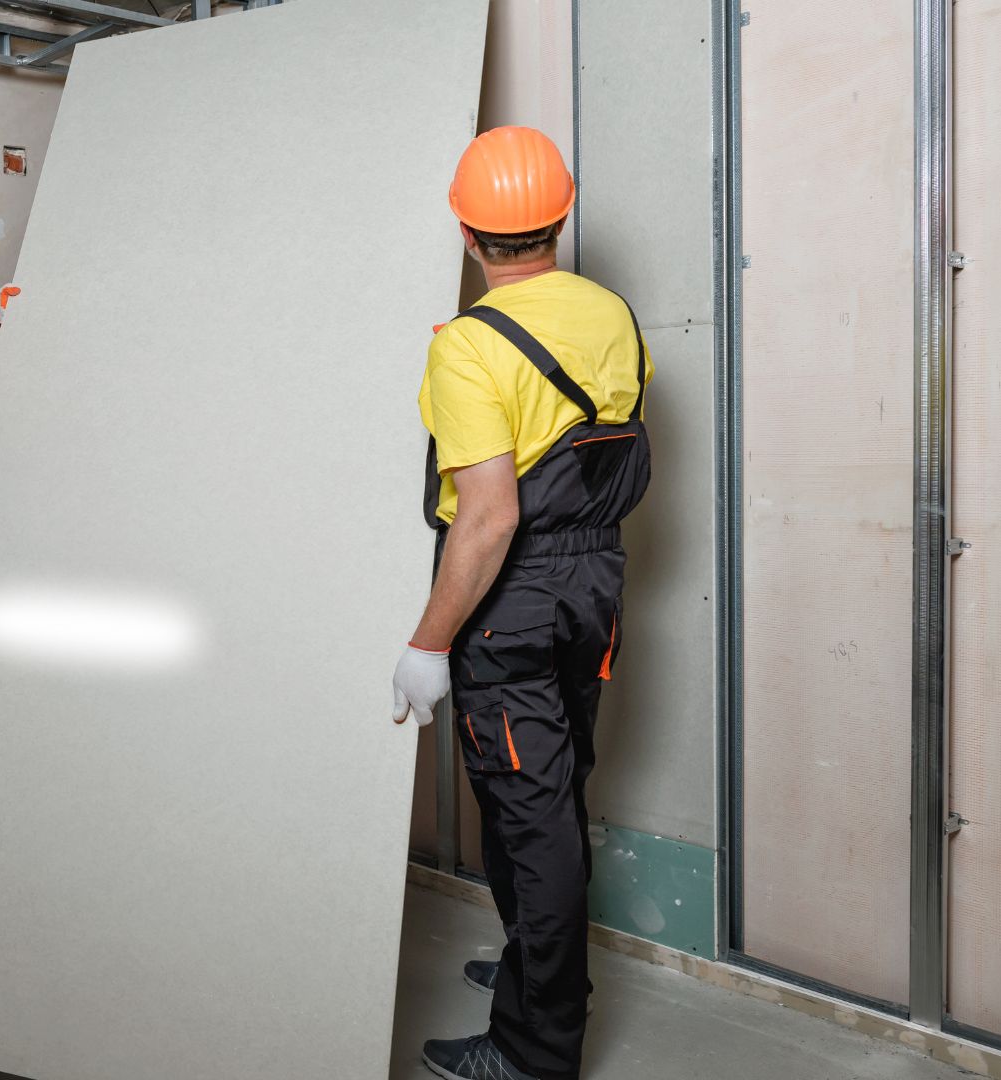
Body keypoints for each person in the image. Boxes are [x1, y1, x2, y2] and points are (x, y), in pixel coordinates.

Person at [392, 126, 653, 1080]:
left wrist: (428, 641)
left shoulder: (468, 348)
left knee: (528, 819)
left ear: (468, 230)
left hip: (515, 597)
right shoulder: (613, 312)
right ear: (560, 214)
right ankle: (535, 972)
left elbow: (490, 518)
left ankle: (535, 1052)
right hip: (597, 586)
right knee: (547, 798)